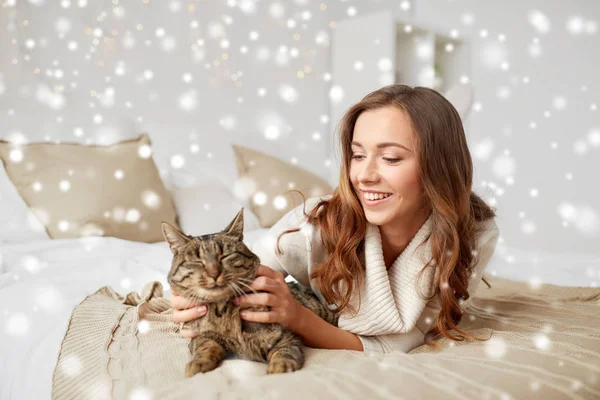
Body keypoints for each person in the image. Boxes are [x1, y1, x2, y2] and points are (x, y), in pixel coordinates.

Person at [170, 84, 499, 354]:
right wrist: (185, 297)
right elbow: (242, 268)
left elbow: (411, 336)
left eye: (390, 157)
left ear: (438, 166)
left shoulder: (474, 232)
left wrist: (299, 319)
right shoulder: (310, 228)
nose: (364, 175)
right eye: (357, 155)